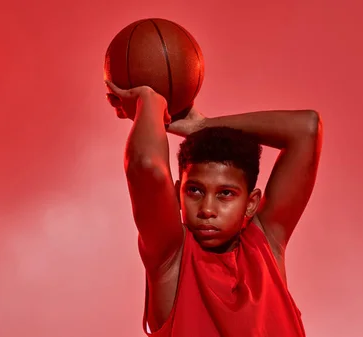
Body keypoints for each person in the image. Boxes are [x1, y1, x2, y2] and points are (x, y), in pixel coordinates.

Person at [105, 80, 322, 337]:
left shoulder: (264, 245)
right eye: (194, 190)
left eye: (225, 194)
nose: (207, 209)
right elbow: (145, 165)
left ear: (250, 203)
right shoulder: (171, 256)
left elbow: (307, 128)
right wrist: (150, 99)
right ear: (177, 194)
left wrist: (202, 126)